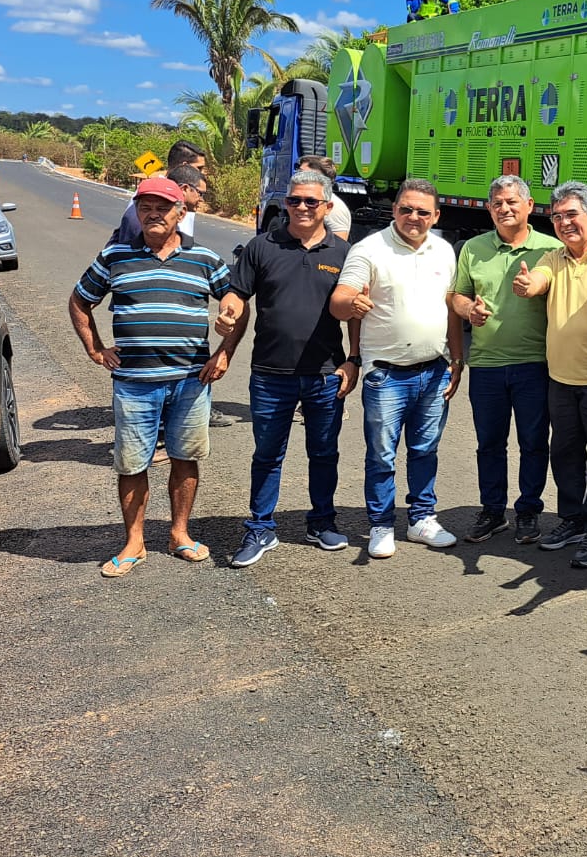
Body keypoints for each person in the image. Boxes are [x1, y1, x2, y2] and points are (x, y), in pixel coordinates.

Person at [68, 177, 237, 576]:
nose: (153, 214)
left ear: (181, 213)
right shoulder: (115, 257)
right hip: (134, 384)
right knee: (131, 464)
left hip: (190, 382)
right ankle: (134, 542)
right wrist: (95, 348)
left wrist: (225, 349)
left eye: (163, 207)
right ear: (137, 212)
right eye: (145, 207)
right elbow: (79, 300)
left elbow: (236, 302)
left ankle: (180, 534)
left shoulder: (206, 260)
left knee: (186, 459)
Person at [216, 169, 358, 567]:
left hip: (325, 374)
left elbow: (356, 314)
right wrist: (228, 314)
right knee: (267, 454)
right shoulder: (261, 247)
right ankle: (260, 528)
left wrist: (354, 359)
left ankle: (321, 522)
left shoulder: (343, 254)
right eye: (293, 200)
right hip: (270, 374)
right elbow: (237, 294)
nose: (300, 208)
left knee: (324, 451)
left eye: (310, 201)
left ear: (327, 207)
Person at [330, 179, 464, 559]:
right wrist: (350, 304)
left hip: (435, 370)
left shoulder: (444, 251)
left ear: (435, 216)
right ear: (394, 211)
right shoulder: (368, 250)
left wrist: (456, 359)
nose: (414, 217)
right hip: (386, 374)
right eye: (406, 209)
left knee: (425, 449)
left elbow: (451, 309)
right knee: (382, 455)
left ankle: (421, 518)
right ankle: (381, 524)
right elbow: (340, 301)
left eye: (423, 211)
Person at [514, 181, 587, 569]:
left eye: (572, 215)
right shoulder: (553, 257)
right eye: (557, 216)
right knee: (564, 455)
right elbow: (539, 280)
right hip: (560, 378)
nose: (563, 223)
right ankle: (572, 519)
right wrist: (529, 285)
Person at [452, 175, 559, 544]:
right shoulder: (473, 248)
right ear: (488, 208)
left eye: (512, 202)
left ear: (530, 206)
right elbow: (457, 296)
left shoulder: (551, 249)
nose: (504, 208)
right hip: (486, 364)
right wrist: (469, 310)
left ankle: (528, 511)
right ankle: (492, 511)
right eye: (497, 203)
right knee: (490, 443)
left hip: (535, 363)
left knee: (533, 442)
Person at [113, 160, 206, 245]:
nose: (154, 215)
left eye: (163, 209)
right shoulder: (126, 250)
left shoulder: (203, 257)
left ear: (181, 214)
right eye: (200, 193)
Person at [298, 155, 353, 237]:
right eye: (298, 172)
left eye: (302, 173)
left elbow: (338, 244)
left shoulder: (334, 208)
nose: (297, 177)